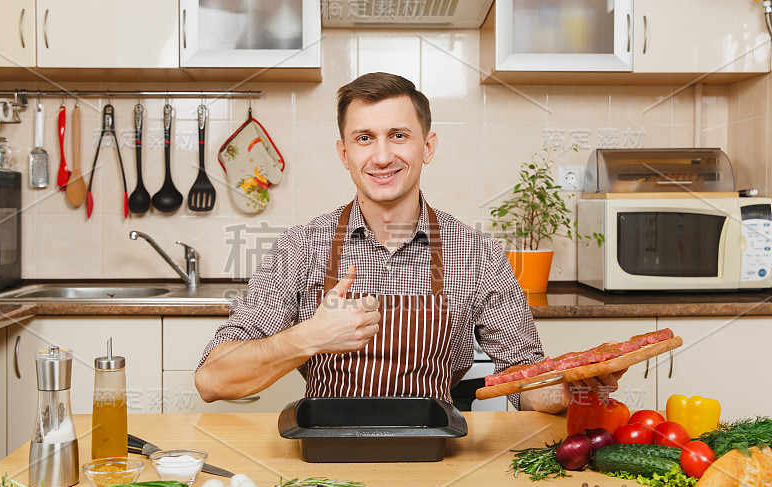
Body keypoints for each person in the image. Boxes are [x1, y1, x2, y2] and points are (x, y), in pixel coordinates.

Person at [195, 72, 624, 412]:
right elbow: (212, 381)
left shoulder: (476, 253)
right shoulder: (300, 248)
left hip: (437, 455)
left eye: (398, 135)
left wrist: (568, 390)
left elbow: (521, 380)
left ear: (427, 146)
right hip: (325, 454)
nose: (382, 156)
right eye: (365, 138)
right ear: (344, 153)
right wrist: (310, 336)